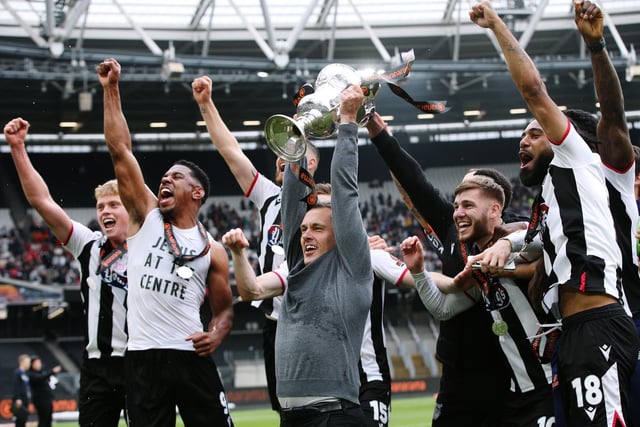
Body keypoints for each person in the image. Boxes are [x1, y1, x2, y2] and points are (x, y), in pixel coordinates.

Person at [468, 2, 640, 426]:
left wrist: (496, 25)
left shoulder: (591, 163)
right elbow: (529, 240)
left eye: (534, 132)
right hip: (577, 331)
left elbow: (547, 95)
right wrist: (504, 254)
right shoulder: (552, 199)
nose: (523, 141)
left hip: (608, 319)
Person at [98, 57, 235, 426]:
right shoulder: (145, 215)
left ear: (197, 192)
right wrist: (111, 90)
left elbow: (224, 309)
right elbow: (119, 151)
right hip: (144, 358)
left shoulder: (213, 249)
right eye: (163, 177)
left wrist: (217, 334)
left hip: (192, 355)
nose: (165, 180)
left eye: (175, 177)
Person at [366, 112, 526, 426]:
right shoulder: (450, 224)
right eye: (457, 201)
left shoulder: (516, 239)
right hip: (456, 371)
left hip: (509, 369)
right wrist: (372, 123)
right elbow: (412, 181)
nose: (458, 207)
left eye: (468, 197)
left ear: (494, 206)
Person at [222, 183, 413, 427]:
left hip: (367, 376)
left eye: (325, 210)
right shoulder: (298, 268)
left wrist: (452, 279)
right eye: (310, 215)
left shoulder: (369, 255)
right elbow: (253, 290)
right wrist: (238, 255)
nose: (315, 218)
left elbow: (427, 282)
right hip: (321, 385)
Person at [192, 75, 320, 416]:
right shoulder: (270, 198)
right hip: (273, 321)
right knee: (283, 412)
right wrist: (206, 105)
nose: (284, 158)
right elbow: (231, 153)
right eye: (282, 153)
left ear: (312, 165)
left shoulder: (324, 207)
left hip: (312, 321)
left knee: (318, 408)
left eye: (296, 153)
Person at [3, 117, 128, 427]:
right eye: (100, 207)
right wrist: (17, 148)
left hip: (141, 361)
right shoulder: (88, 244)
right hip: (97, 365)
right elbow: (41, 201)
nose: (105, 212)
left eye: (113, 205)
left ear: (132, 209)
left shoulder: (152, 246)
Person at [574, 2, 640, 426]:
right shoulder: (554, 201)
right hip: (581, 338)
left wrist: (596, 46)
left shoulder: (607, 174)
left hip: (625, 318)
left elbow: (613, 118)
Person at [28, 355, 62, 427]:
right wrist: (52, 371)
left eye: (39, 363)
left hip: (47, 400)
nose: (38, 365)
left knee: (48, 419)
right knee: (43, 420)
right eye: (36, 363)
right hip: (40, 401)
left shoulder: (42, 372)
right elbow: (40, 378)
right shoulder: (31, 374)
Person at [12, 354, 31, 427]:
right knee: (20, 420)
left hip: (25, 399)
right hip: (20, 401)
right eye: (27, 362)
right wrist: (18, 398)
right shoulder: (17, 372)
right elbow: (16, 386)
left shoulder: (25, 374)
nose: (29, 364)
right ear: (22, 362)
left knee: (24, 420)